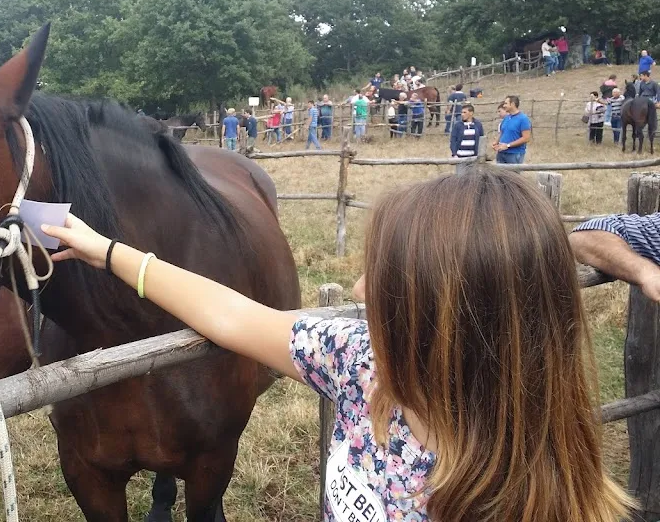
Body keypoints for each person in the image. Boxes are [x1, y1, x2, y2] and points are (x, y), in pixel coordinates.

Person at [42, 167, 636, 522]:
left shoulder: (523, 494)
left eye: (382, 280)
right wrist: (111, 253)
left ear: (444, 318)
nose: (355, 289)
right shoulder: (363, 363)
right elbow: (232, 315)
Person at [492, 95, 532, 164]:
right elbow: (502, 132)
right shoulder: (506, 118)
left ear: (512, 104)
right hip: (501, 153)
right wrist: (496, 142)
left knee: (513, 174)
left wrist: (508, 145)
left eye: (506, 103)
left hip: (514, 154)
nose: (504, 106)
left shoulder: (523, 119)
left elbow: (526, 138)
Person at [638, 70, 659, 145]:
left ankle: (653, 128)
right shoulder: (641, 83)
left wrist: (658, 102)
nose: (640, 77)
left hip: (650, 99)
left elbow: (658, 93)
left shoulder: (654, 84)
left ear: (646, 75)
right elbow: (639, 93)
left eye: (641, 75)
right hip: (642, 99)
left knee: (652, 115)